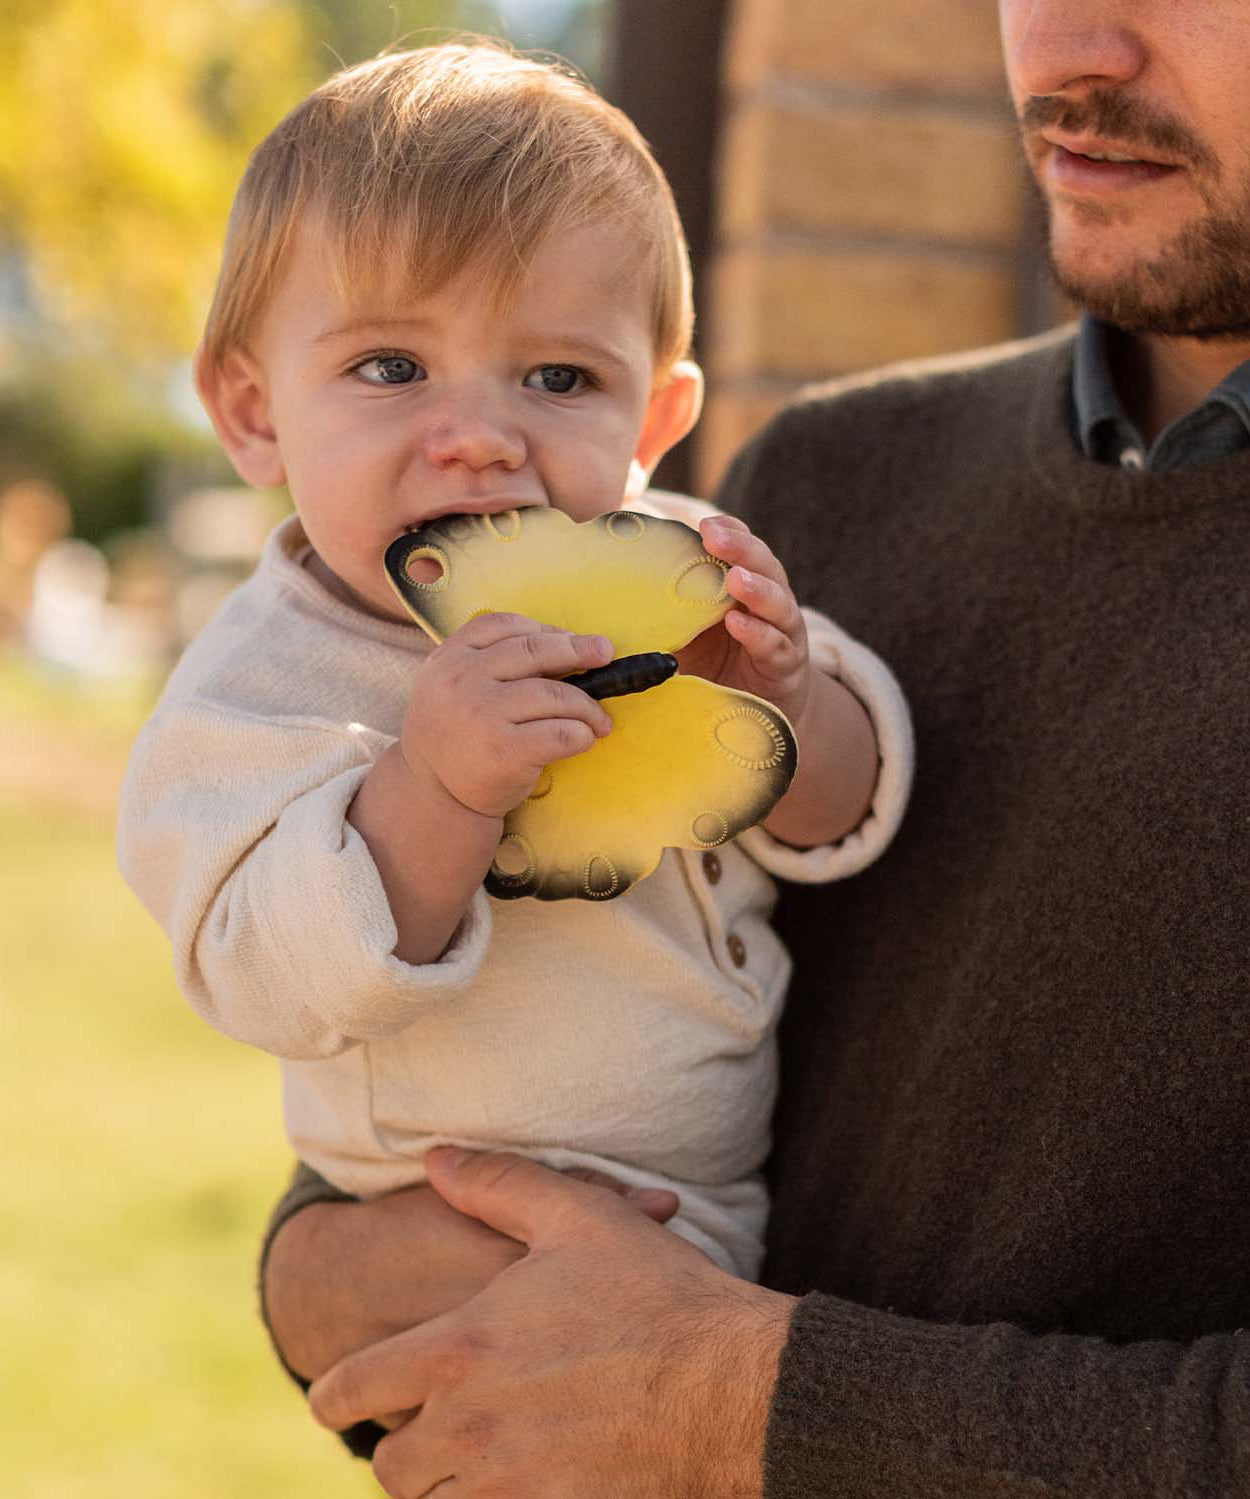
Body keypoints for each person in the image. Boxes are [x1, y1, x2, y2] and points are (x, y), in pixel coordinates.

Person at [262, 2, 1250, 1495]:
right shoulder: (822, 486)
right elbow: (514, 1024)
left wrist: (731, 1403)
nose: (1060, 52)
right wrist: (319, 1268)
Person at [116, 32, 913, 1433]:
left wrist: (789, 697)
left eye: (556, 380)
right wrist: (433, 789)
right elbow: (257, 969)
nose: (479, 436)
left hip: (727, 1220)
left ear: (656, 417)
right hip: (447, 1237)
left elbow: (850, 807)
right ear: (254, 411)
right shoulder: (267, 674)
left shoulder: (669, 569)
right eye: (388, 367)